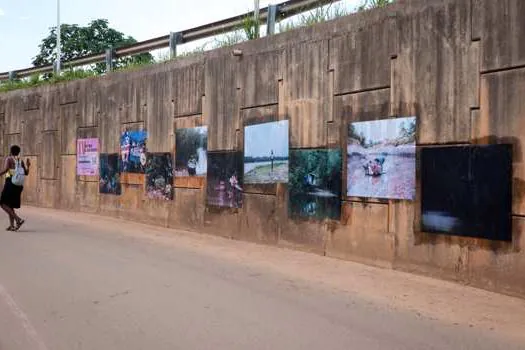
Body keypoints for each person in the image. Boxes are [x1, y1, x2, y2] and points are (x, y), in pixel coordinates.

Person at [0, 145, 30, 231]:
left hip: (10, 183)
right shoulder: (21, 161)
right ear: (18, 152)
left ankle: (18, 219)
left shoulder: (9, 159)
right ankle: (12, 225)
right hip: (18, 185)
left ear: (11, 151)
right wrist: (28, 166)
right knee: (10, 205)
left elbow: (6, 170)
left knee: (2, 203)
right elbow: (26, 173)